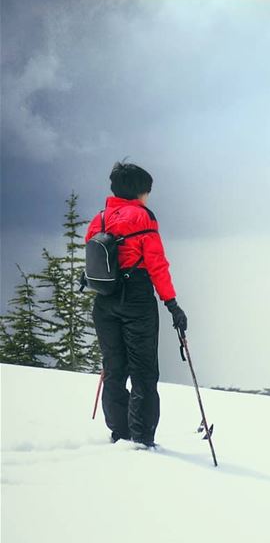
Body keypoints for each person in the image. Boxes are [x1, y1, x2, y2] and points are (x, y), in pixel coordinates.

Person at [84, 162, 187, 447]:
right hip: (137, 298)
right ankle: (141, 439)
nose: (148, 196)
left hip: (104, 301)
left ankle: (119, 432)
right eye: (147, 191)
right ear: (139, 191)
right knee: (143, 371)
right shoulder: (143, 218)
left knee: (114, 370)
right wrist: (172, 304)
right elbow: (156, 264)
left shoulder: (99, 219)